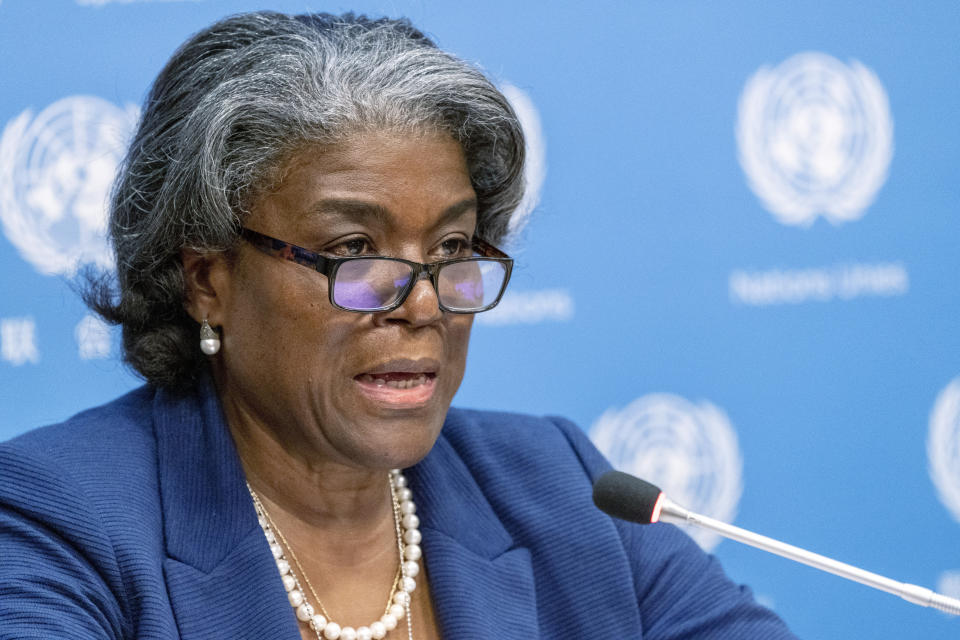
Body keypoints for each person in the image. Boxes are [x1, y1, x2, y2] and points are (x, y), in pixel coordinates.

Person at [0, 11, 797, 640]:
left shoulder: (556, 485)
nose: (423, 304)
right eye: (354, 250)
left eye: (452, 247)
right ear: (207, 279)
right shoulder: (59, 519)